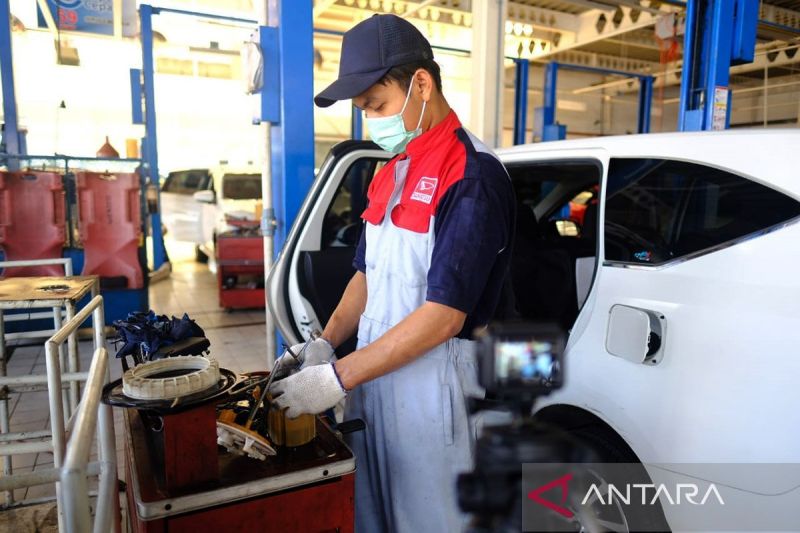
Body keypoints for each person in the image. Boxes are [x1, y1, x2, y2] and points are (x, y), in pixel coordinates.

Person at [271, 13, 516, 532]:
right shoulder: (392, 169)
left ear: (421, 84)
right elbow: (367, 273)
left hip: (435, 388)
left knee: (432, 519)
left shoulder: (471, 175)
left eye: (376, 106)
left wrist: (336, 377)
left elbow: (445, 316)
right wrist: (326, 343)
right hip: (373, 376)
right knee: (375, 515)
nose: (371, 122)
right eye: (363, 111)